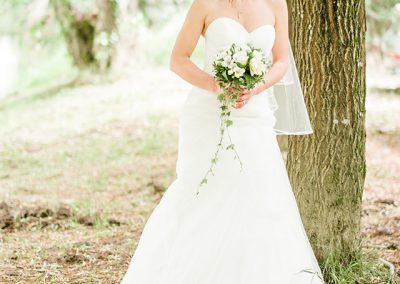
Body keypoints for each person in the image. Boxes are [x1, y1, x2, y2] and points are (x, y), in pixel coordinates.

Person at [121, 0, 325, 283]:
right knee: (202, 191)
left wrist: (256, 86)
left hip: (255, 115)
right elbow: (178, 59)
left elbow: (280, 62)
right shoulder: (204, 4)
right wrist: (216, 85)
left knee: (260, 195)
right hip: (207, 114)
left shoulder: (276, 4)